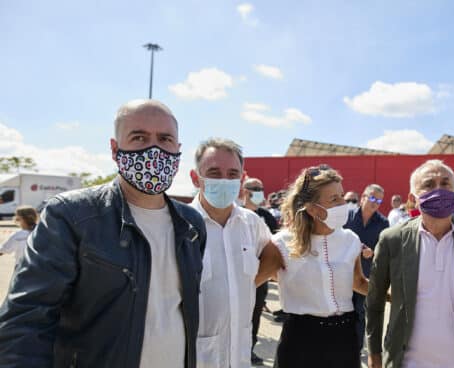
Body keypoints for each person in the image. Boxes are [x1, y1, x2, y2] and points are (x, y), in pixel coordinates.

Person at [0, 100, 207, 367]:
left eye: (165, 139)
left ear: (177, 149)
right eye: (139, 137)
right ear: (114, 149)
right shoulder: (72, 215)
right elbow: (26, 319)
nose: (154, 150)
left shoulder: (190, 224)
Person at [367, 159, 454, 368]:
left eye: (445, 184)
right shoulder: (392, 240)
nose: (439, 191)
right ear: (413, 198)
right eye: (429, 185)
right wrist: (374, 354)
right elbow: (374, 303)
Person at [259, 164, 368, 368]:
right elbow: (251, 283)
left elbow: (358, 282)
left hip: (344, 336)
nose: (343, 203)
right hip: (301, 338)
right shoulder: (282, 243)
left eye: (342, 196)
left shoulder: (351, 240)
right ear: (312, 208)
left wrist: (395, 295)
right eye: (334, 199)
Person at [189, 138, 279, 368]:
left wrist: (247, 284)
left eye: (232, 174)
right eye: (214, 172)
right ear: (195, 177)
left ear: (242, 179)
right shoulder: (180, 225)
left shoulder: (250, 222)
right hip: (194, 358)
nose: (224, 180)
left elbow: (273, 254)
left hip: (238, 357)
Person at [344, 184, 390, 353]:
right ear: (363, 197)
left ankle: (355, 349)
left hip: (365, 276)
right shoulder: (347, 216)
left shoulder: (383, 222)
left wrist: (374, 251)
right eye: (372, 198)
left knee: (360, 313)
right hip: (342, 273)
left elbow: (385, 249)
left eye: (378, 200)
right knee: (340, 310)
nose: (375, 203)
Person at [241, 176, 280, 365]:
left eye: (261, 187)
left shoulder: (266, 216)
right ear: (245, 190)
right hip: (240, 274)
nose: (259, 191)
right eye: (255, 188)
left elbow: (277, 240)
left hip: (260, 275)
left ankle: (249, 349)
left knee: (255, 314)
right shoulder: (236, 214)